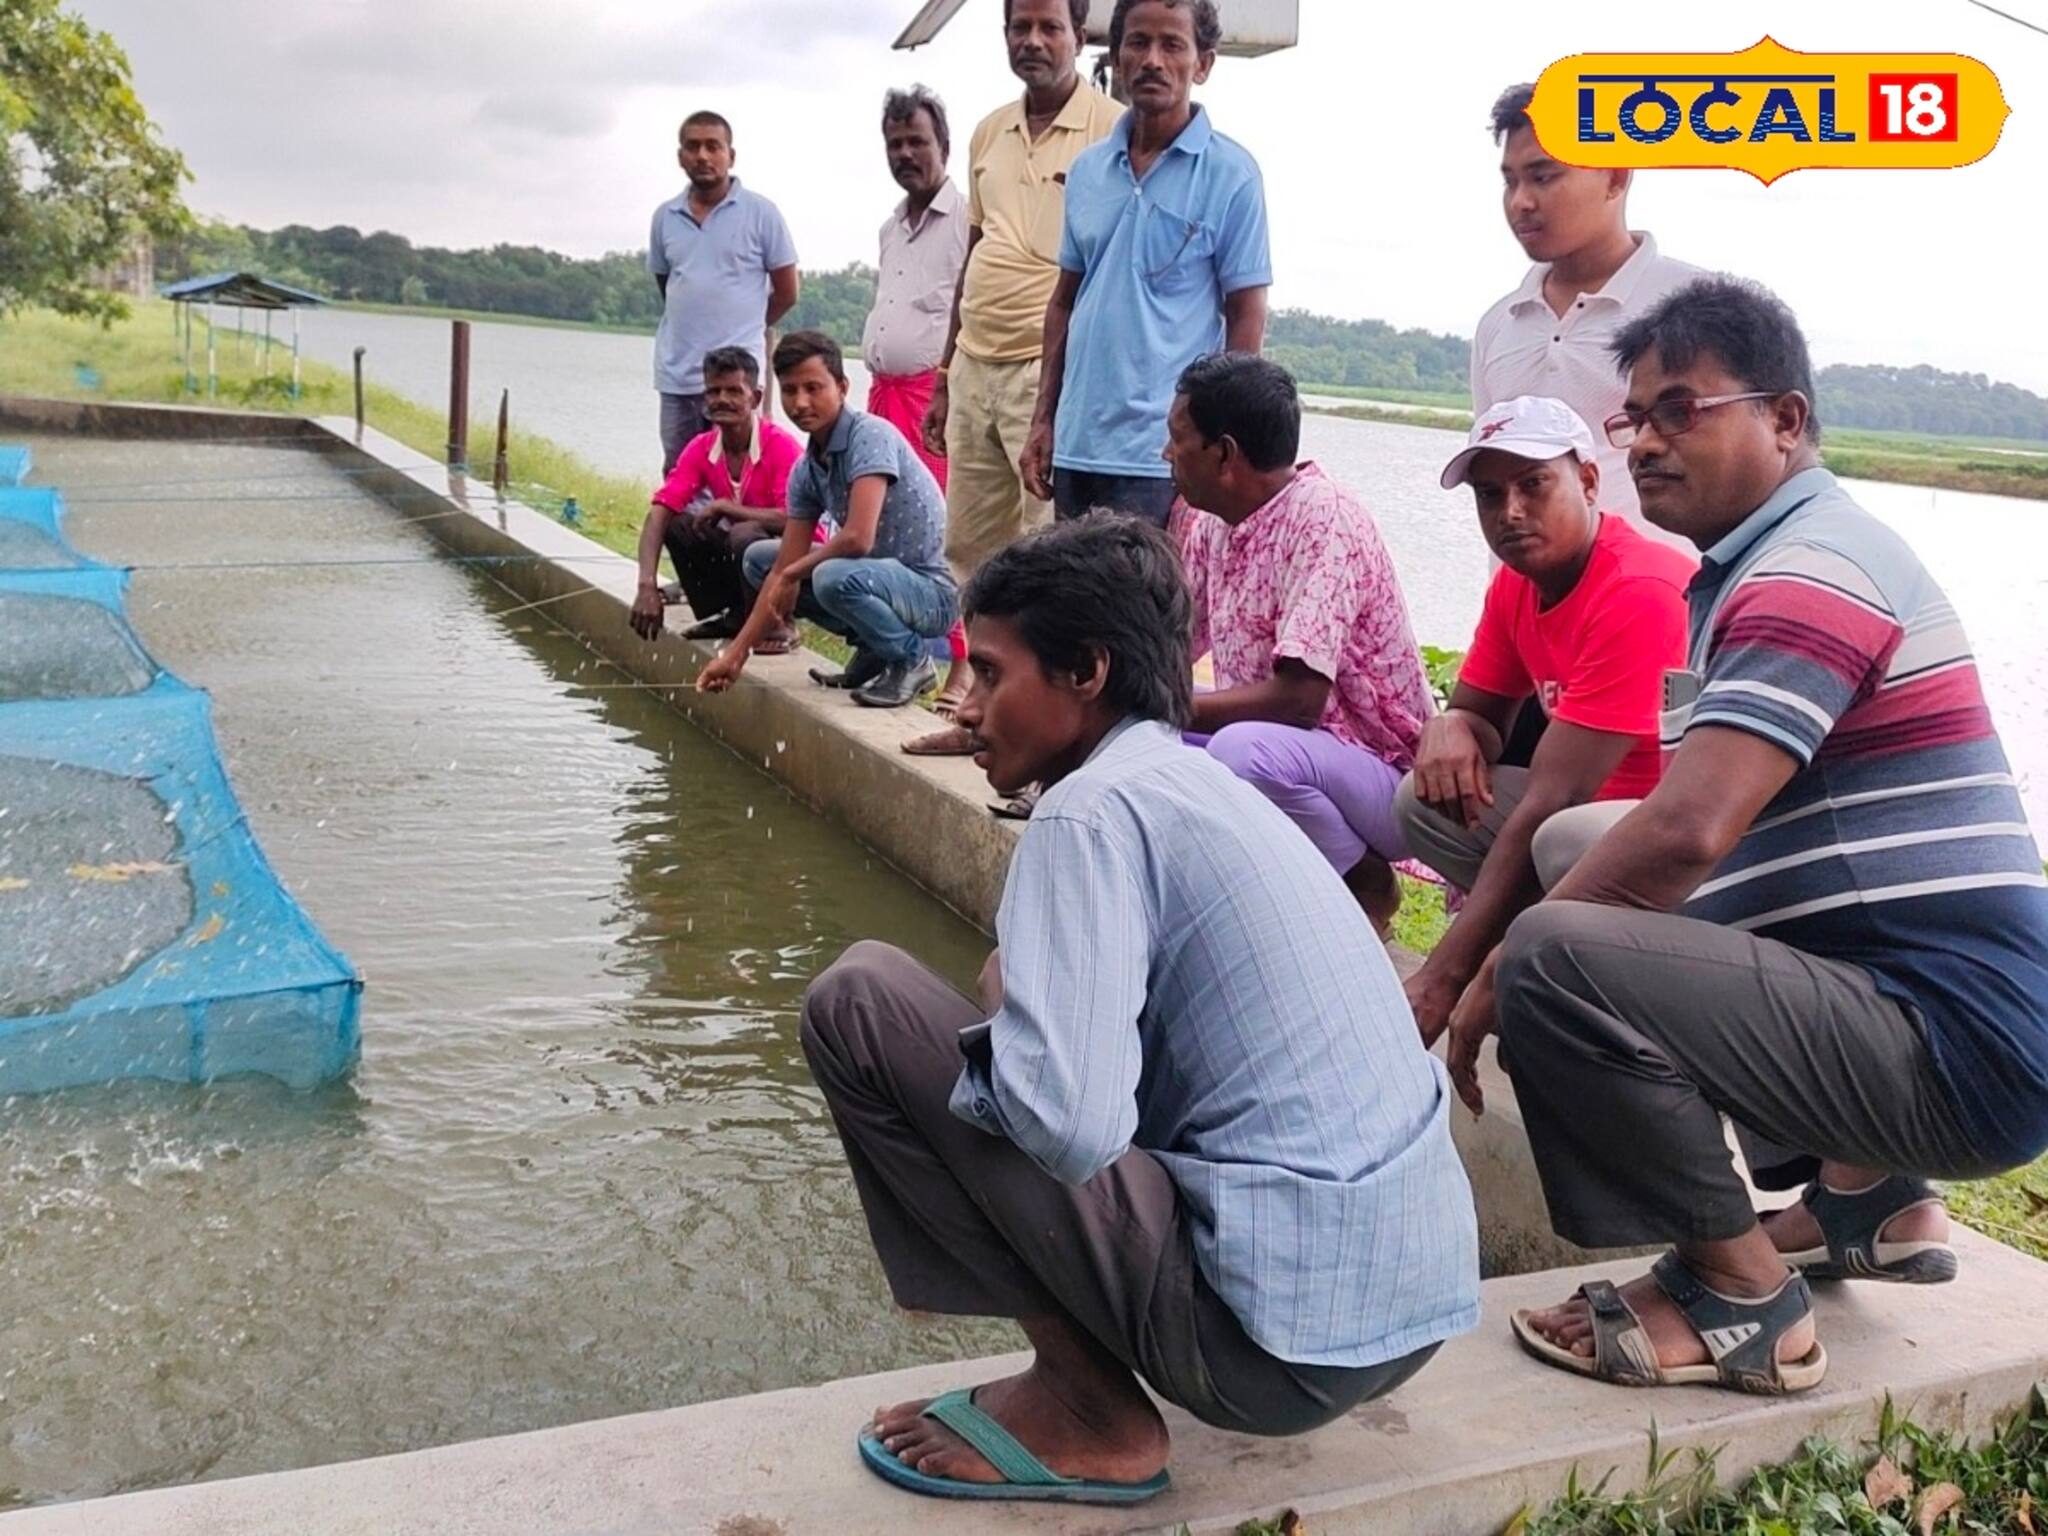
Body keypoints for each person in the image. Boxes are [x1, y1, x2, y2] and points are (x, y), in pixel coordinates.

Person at [1446, 278, 2048, 1396]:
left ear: (1782, 420)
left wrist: (1489, 967)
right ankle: (1867, 1194)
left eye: (1683, 409)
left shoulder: (1807, 570)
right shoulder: (1751, 568)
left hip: (1959, 1048)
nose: (1647, 443)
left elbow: (1690, 829)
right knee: (1580, 850)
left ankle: (1733, 1297)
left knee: (1554, 950)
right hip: (1919, 1011)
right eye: (1634, 418)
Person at [802, 515, 1478, 1506]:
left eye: (990, 674)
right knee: (1006, 985)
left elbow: (1070, 1126)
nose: (965, 704)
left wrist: (1004, 1038)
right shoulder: (1195, 780)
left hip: (1265, 1353)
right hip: (1396, 1320)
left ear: (1085, 673)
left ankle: (1087, 1412)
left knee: (859, 1000)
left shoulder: (1088, 811)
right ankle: (1083, 1383)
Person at [1393, 395, 1694, 1046]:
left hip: (1676, 841)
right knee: (1422, 801)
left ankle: (1583, 971)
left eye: (1534, 485)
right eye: (1489, 495)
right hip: (1584, 828)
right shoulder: (1519, 582)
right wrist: (1448, 727)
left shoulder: (1639, 589)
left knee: (1555, 833)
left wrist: (1442, 977)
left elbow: (1556, 797)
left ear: (1588, 481)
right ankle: (1547, 955)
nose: (1511, 513)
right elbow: (1479, 712)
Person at [1164, 353, 1432, 935]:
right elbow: (1174, 647)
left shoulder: (1322, 519)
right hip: (1294, 750)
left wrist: (1167, 704)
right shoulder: (1215, 521)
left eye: (1177, 438)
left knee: (1240, 754)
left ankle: (1365, 879)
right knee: (1132, 733)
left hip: (1379, 770)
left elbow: (1300, 701)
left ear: (1225, 454)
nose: (1166, 454)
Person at [916, 0, 1120, 727]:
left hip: (1049, 370)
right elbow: (974, 248)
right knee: (969, 539)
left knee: (1042, 545)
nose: (1032, 42)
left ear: (1078, 33)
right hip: (975, 362)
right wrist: (943, 375)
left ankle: (1030, 707)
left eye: (1049, 28)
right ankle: (971, 679)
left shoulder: (1110, 127)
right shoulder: (987, 130)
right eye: (1018, 28)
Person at [1020, 0, 1271, 528]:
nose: (1153, 59)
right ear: (1115, 56)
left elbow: (1245, 316)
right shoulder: (1088, 171)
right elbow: (1065, 302)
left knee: (1149, 607)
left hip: (1164, 461)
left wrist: (1221, 444)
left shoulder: (1232, 175)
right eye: (1138, 43)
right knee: (1070, 604)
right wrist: (1044, 419)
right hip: (1078, 447)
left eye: (1172, 45)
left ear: (1202, 64)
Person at [1471, 83, 1704, 548]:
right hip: (1524, 611)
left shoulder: (1694, 308)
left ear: (1616, 177)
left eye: (1543, 176)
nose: (1521, 201)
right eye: (1510, 181)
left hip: (1656, 607)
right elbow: (1492, 477)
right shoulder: (1498, 326)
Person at [696, 331, 957, 709]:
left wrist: (789, 575)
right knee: (760, 560)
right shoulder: (807, 469)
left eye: (813, 388)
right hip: (876, 580)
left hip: (929, 593)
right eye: (789, 391)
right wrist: (734, 656)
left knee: (827, 575)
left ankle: (910, 658)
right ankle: (875, 648)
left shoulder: (870, 436)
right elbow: (783, 565)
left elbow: (857, 540)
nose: (801, 403)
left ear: (843, 386)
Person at [864, 85, 973, 716]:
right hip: (883, 401)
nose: (906, 154)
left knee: (941, 533)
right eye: (895, 144)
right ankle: (890, 651)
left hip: (932, 402)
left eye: (917, 142)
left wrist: (948, 389)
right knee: (880, 527)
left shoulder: (965, 220)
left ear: (944, 147)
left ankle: (961, 665)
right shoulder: (890, 227)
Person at [648, 110, 799, 477]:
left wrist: (745, 326)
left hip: (739, 381)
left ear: (731, 155)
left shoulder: (762, 214)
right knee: (679, 479)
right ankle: (679, 538)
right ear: (680, 156)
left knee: (745, 476)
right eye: (693, 146)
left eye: (713, 146)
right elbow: (667, 285)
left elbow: (787, 291)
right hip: (679, 376)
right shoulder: (665, 217)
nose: (702, 155)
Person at [630, 346, 805, 647]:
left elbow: (794, 520)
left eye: (734, 391)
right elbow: (660, 509)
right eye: (714, 391)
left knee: (744, 531)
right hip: (746, 556)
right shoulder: (702, 447)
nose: (722, 399)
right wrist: (647, 585)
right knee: (677, 524)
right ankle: (737, 614)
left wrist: (727, 507)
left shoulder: (781, 446)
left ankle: (777, 622)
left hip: (797, 565)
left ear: (756, 398)